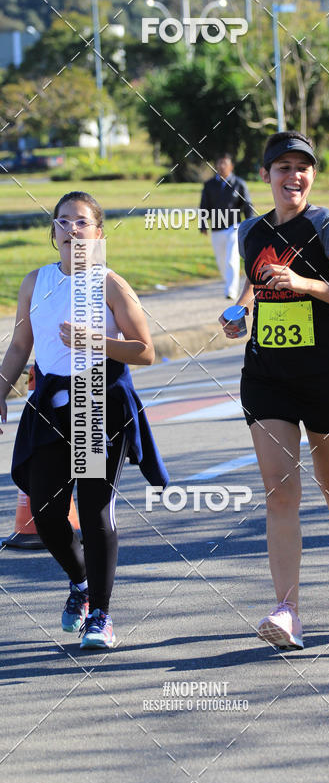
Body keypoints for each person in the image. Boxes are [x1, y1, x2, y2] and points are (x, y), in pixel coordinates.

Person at [219, 131, 329, 650]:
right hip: (267, 374)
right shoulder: (250, 231)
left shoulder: (326, 224)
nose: (294, 176)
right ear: (266, 176)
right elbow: (256, 280)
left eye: (302, 168)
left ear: (312, 176)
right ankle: (287, 610)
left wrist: (306, 285)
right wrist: (241, 309)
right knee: (280, 490)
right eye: (283, 168)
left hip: (326, 372)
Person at [0, 191, 168, 649]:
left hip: (97, 399)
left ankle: (103, 615)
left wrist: (95, 341)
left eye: (81, 222)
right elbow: (19, 347)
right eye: (62, 222)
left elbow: (146, 351)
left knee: (93, 509)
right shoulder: (35, 282)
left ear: (98, 233)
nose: (71, 229)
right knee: (45, 511)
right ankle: (80, 585)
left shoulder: (111, 284)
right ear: (52, 232)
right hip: (49, 400)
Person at [200, 153, 254, 299]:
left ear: (231, 166)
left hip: (234, 227)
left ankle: (231, 290)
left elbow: (248, 205)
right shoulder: (209, 185)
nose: (221, 166)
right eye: (219, 163)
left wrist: (250, 225)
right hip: (217, 229)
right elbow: (204, 206)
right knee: (221, 260)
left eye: (225, 163)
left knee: (231, 259)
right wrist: (203, 224)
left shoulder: (239, 184)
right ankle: (228, 281)